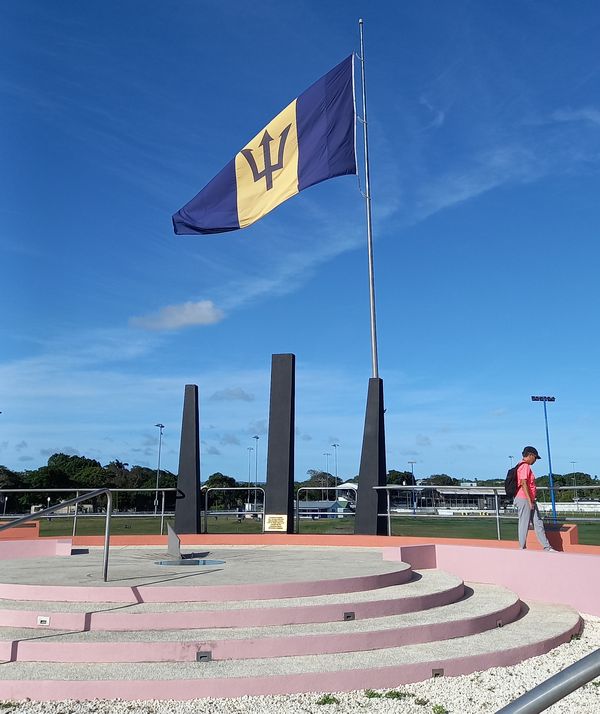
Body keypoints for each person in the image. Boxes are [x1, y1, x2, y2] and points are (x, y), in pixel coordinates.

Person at [514, 446, 556, 551]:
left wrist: (531, 500)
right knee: (524, 523)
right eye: (535, 458)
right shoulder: (525, 466)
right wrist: (529, 501)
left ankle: (547, 547)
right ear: (530, 455)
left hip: (529, 499)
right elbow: (523, 483)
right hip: (524, 499)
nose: (535, 460)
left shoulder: (522, 466)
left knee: (538, 522)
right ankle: (522, 547)